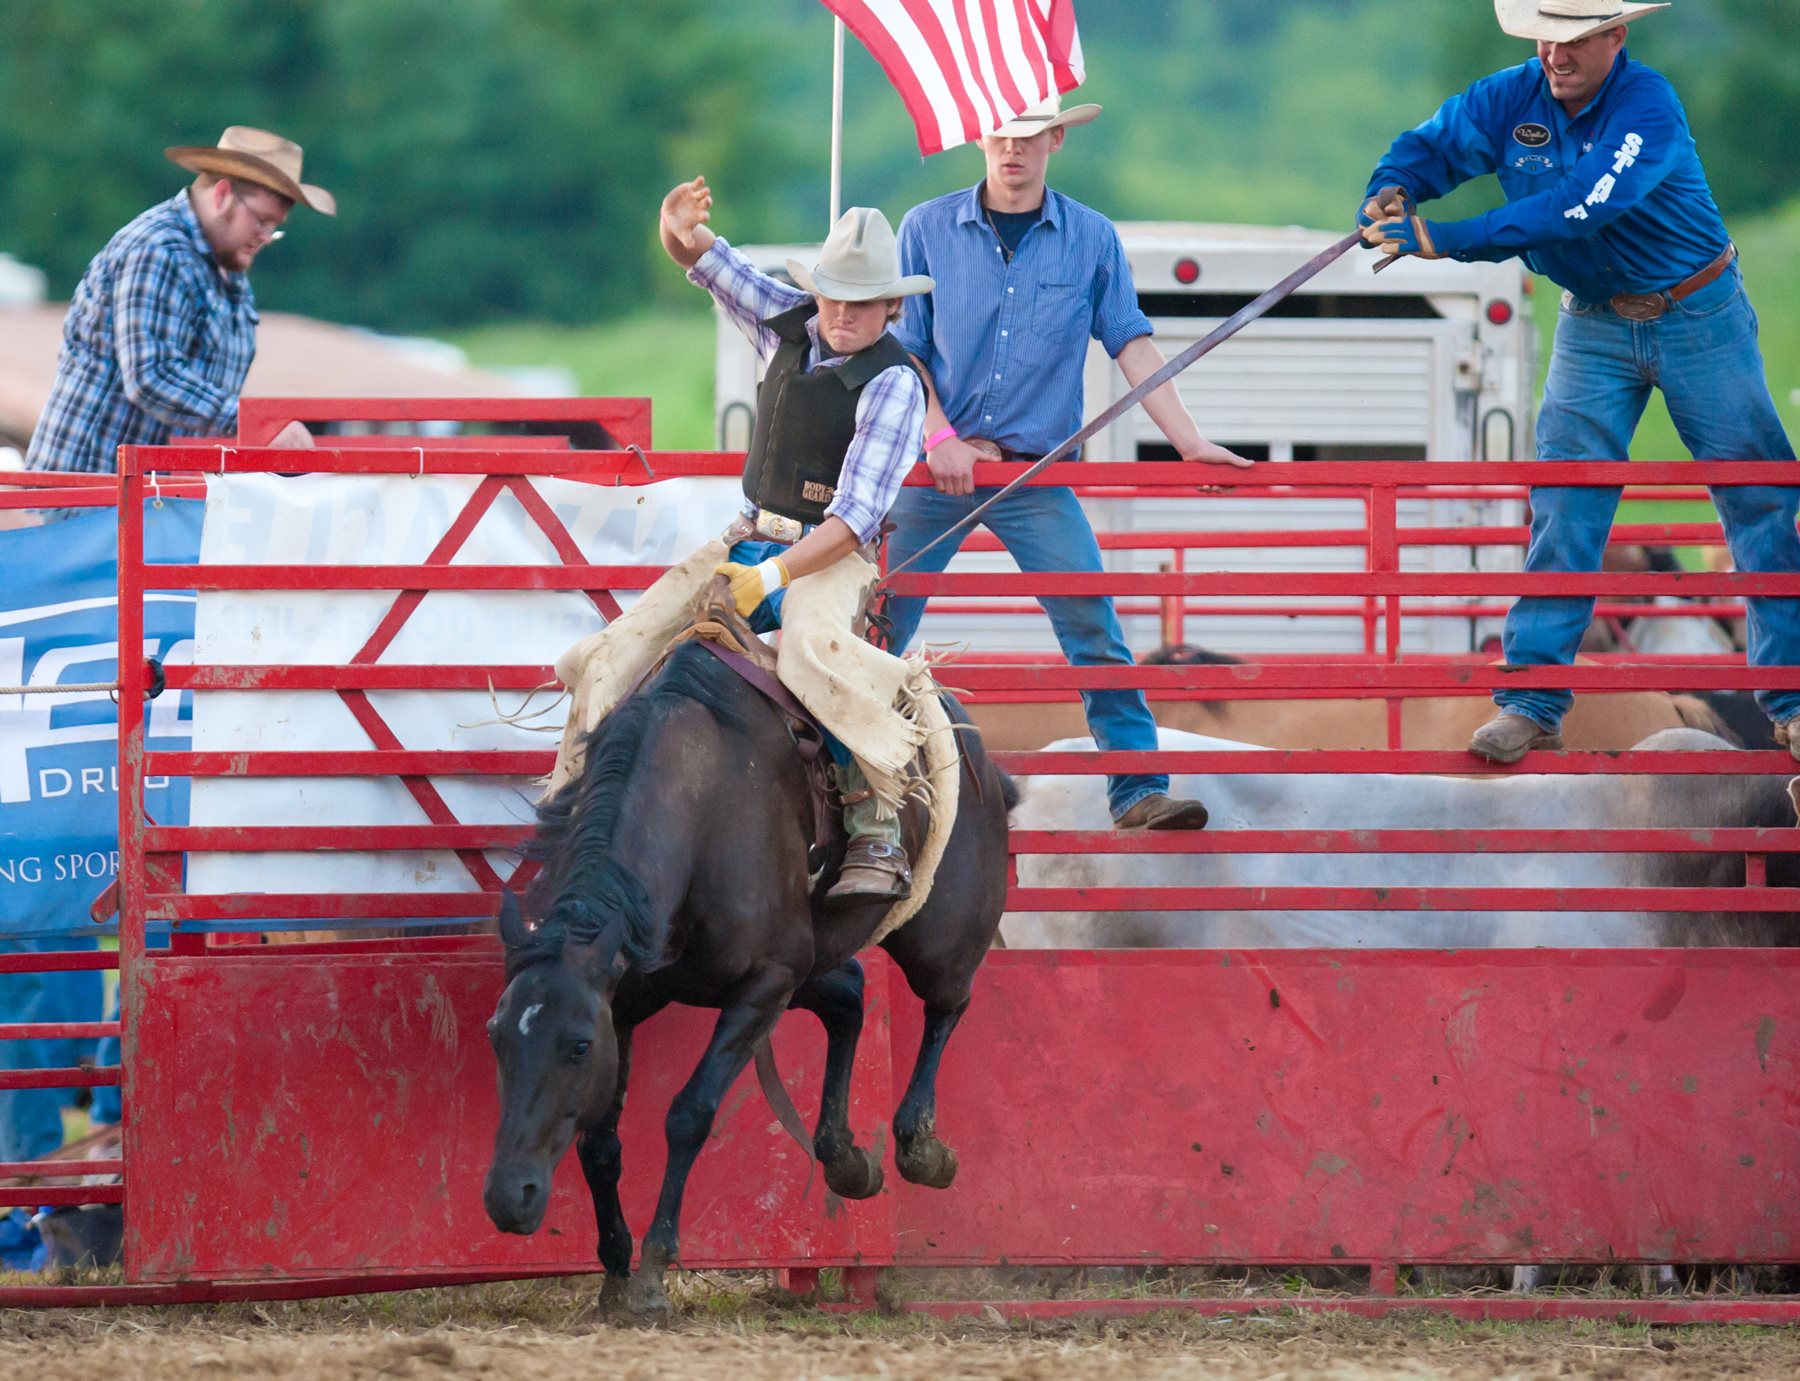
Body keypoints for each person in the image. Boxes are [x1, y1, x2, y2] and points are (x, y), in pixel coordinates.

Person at [1358, 1, 1800, 763]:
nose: (1555, 55)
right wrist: (1393, 186)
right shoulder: (1506, 96)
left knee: (1755, 494)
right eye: (1547, 38)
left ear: (1615, 38)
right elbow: (1434, 146)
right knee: (1564, 496)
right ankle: (1532, 699)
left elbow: (1580, 206)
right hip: (1594, 320)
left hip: (1698, 313)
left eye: (1574, 40)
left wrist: (1445, 238)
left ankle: (1791, 699)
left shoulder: (1647, 104)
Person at [547, 178, 933, 902]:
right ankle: (574, 807)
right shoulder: (790, 323)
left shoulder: (894, 385)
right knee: (614, 649)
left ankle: (876, 813)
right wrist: (673, 225)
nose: (843, 314)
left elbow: (853, 517)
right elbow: (703, 259)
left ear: (892, 306)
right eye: (834, 296)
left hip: (829, 557)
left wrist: (774, 577)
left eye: (861, 301)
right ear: (818, 293)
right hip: (747, 535)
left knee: (816, 653)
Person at [890, 94, 1250, 832]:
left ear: (1056, 138)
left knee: (1093, 623)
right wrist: (938, 437)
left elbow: (1130, 341)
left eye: (1028, 134)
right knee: (875, 623)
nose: (1012, 149)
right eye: (999, 133)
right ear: (981, 139)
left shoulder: (1091, 237)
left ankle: (1138, 788)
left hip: (1033, 474)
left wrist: (1187, 439)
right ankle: (845, 783)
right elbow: (906, 351)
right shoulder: (924, 229)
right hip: (935, 468)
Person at [25, 126, 334, 477]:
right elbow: (150, 376)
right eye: (261, 221)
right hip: (89, 493)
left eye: (273, 227)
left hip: (148, 499)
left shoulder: (227, 269)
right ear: (222, 195)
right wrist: (257, 425)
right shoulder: (157, 250)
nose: (265, 238)